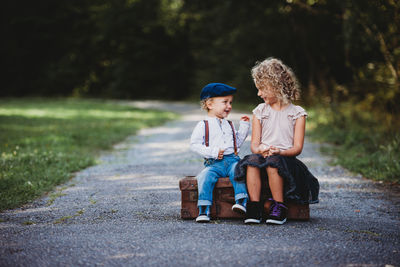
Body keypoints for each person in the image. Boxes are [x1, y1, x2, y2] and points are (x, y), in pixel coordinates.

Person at [235, 57, 319, 225]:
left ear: (276, 85)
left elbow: (297, 148)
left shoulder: (297, 113)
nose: (259, 93)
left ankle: (279, 207)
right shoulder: (260, 111)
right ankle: (254, 206)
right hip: (264, 155)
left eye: (262, 89)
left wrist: (280, 151)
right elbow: (254, 145)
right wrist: (261, 150)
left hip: (286, 159)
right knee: (251, 162)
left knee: (274, 162)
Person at [190, 83, 250, 223]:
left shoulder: (229, 124)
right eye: (225, 102)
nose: (229, 106)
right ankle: (204, 209)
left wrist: (244, 127)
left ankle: (241, 202)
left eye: (230, 102)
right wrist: (212, 152)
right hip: (214, 164)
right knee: (204, 177)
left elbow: (237, 143)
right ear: (210, 104)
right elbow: (194, 145)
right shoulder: (203, 125)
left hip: (232, 161)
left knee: (238, 171)